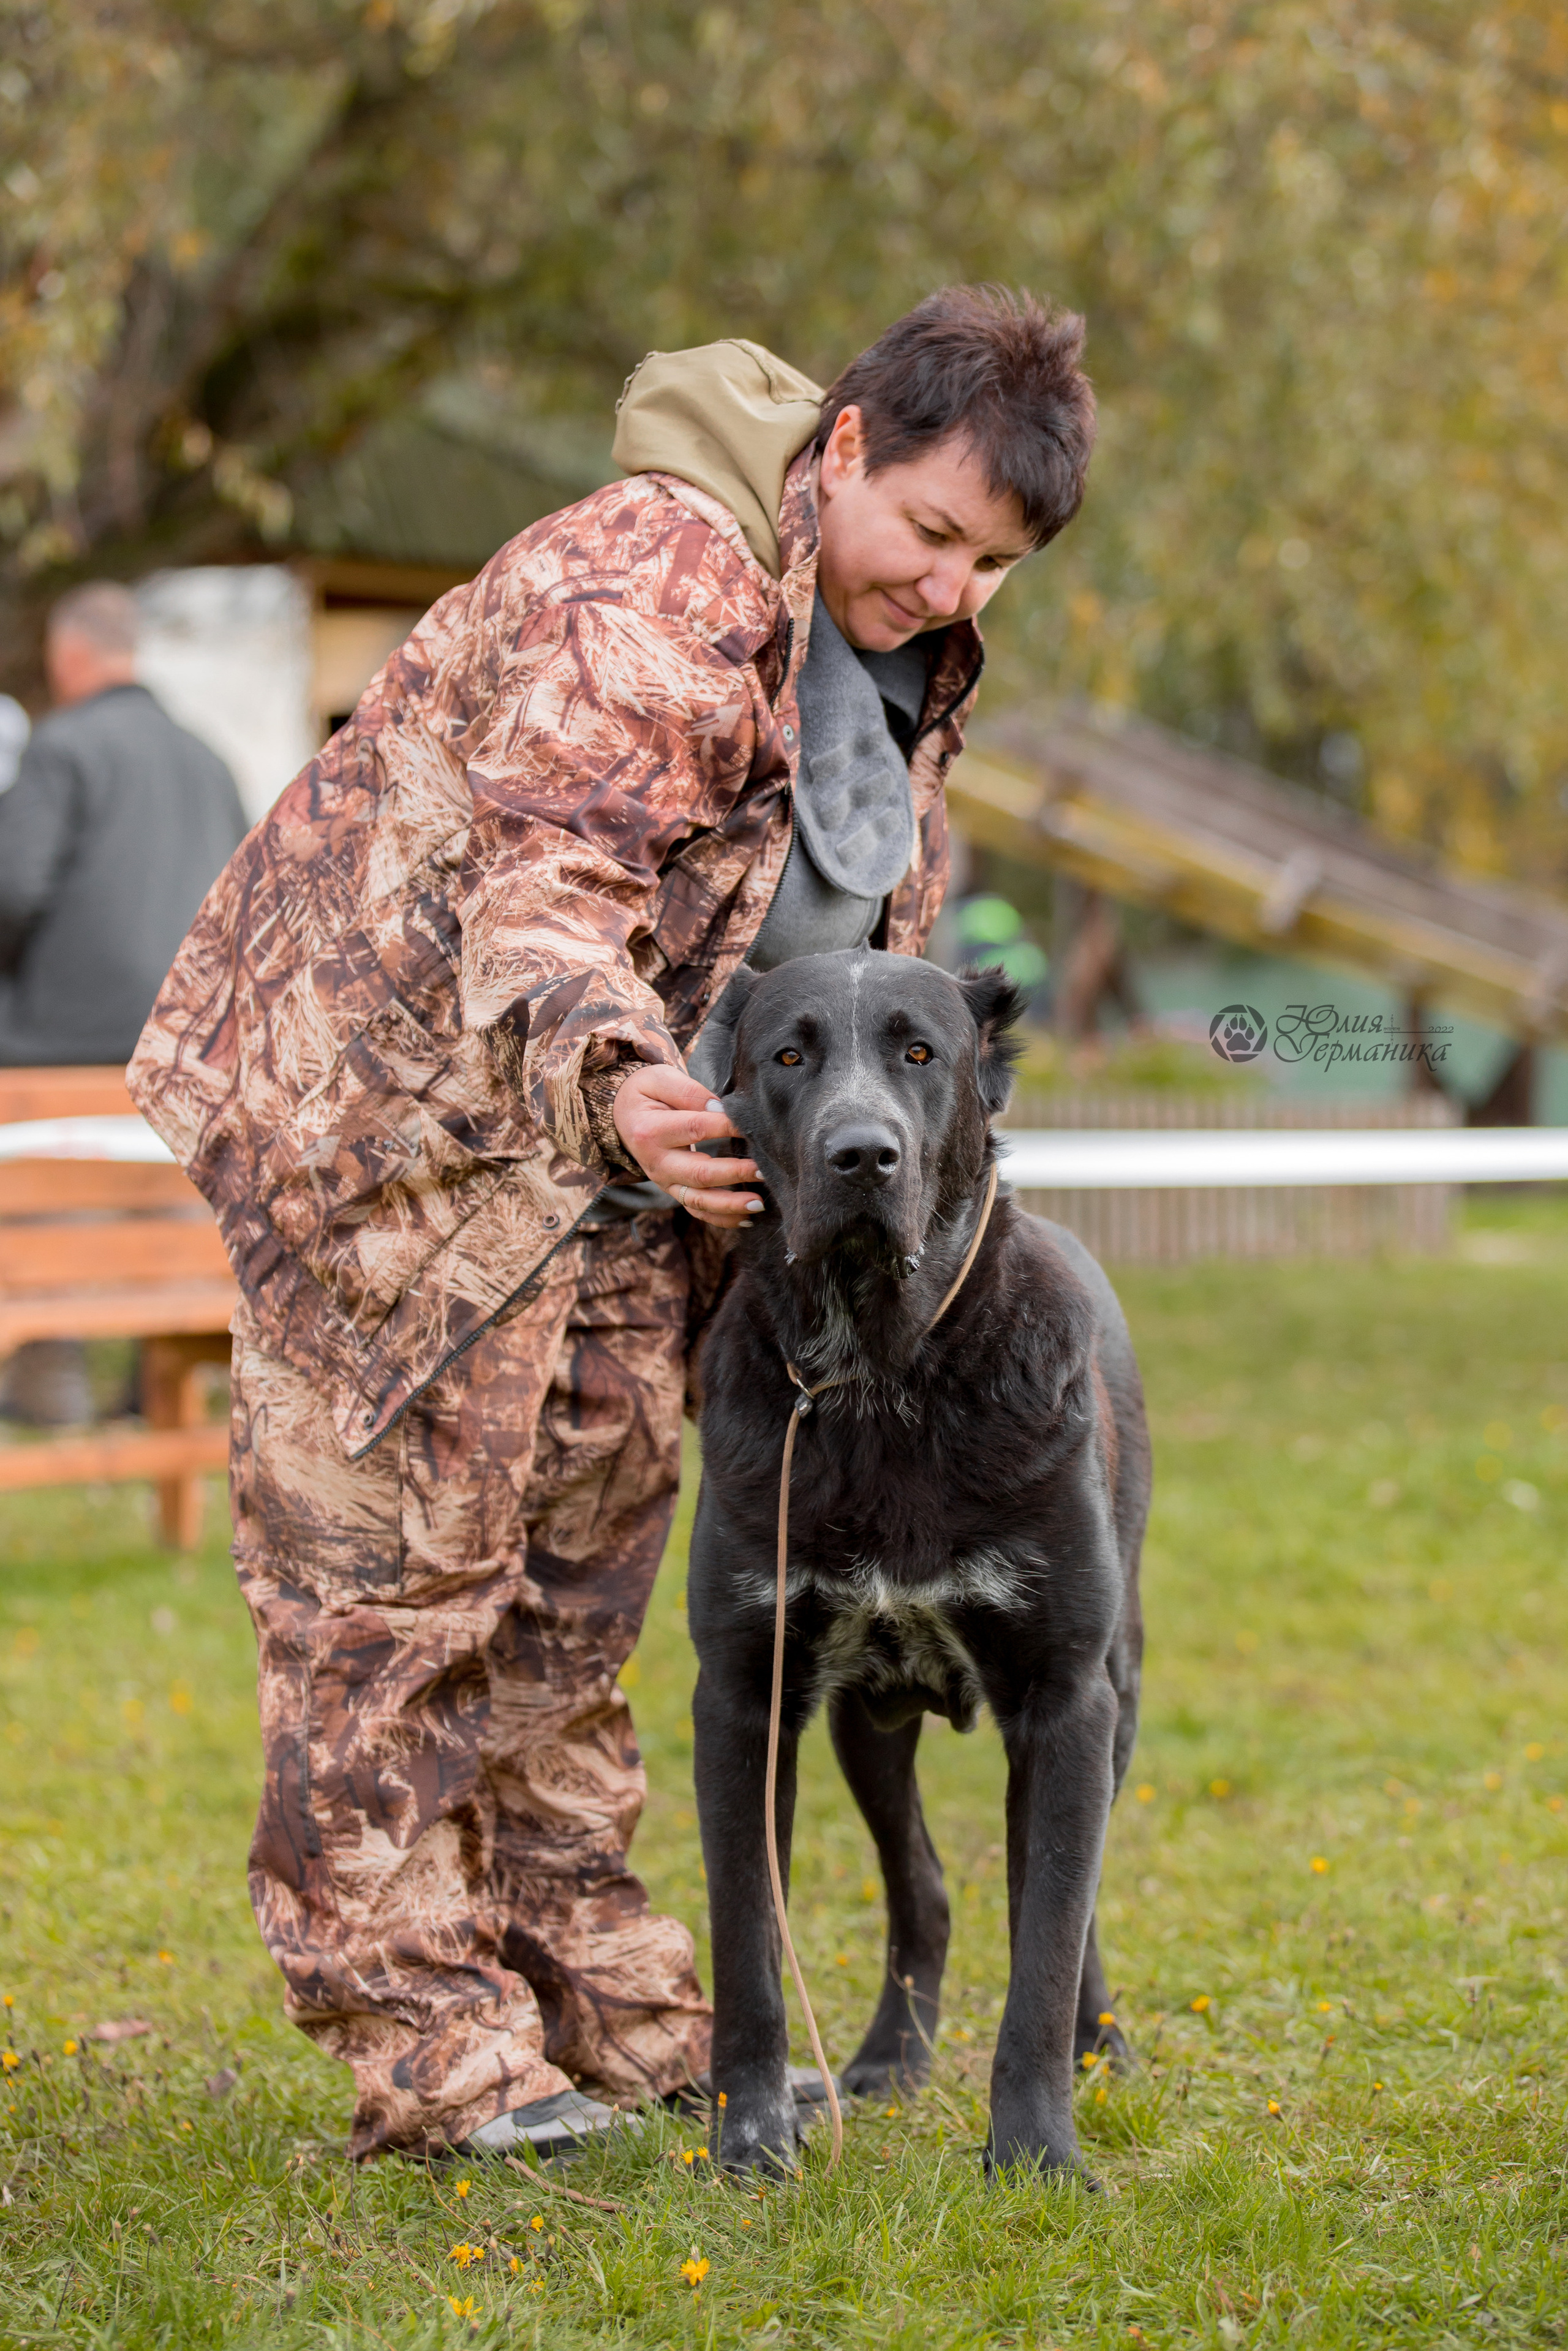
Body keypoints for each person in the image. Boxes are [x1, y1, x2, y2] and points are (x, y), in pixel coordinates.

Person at [127, 286, 1096, 2163]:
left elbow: (842, 948)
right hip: (400, 1132)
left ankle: (609, 1993)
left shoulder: (892, 655)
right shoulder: (655, 579)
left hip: (617, 1179)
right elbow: (550, 871)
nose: (960, 584)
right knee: (395, 1600)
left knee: (581, 1593)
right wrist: (614, 1071)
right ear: (842, 454)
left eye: (998, 561)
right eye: (934, 531)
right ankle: (433, 2044)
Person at [0, 584, 249, 1428]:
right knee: (165, 1244)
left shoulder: (61, 749)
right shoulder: (208, 760)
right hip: (185, 1058)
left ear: (68, 657)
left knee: (44, 1237)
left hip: (57, 1057)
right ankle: (156, 1400)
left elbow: (12, 888)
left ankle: (50, 1397)